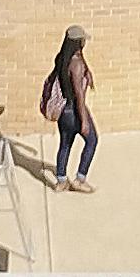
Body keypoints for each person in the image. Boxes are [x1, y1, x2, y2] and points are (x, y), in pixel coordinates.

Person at [47, 25, 97, 191]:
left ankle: (61, 180)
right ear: (79, 43)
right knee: (92, 141)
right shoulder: (77, 65)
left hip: (63, 112)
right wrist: (84, 121)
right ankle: (80, 179)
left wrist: (87, 72)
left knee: (65, 144)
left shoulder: (62, 58)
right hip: (74, 110)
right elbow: (79, 96)